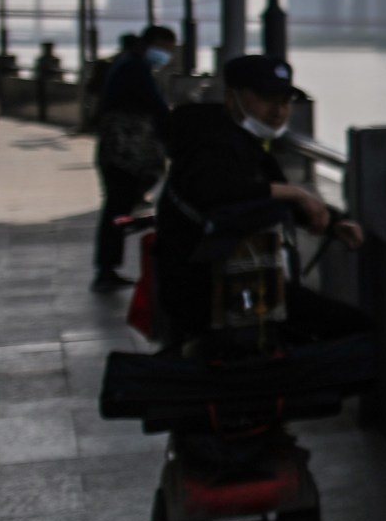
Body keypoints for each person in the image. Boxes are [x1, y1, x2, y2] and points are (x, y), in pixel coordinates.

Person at [154, 56, 361, 346]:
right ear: (231, 97)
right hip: (209, 290)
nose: (278, 112)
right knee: (355, 328)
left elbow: (262, 192)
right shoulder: (208, 142)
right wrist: (297, 193)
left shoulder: (240, 140)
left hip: (241, 283)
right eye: (265, 100)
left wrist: (332, 223)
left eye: (285, 102)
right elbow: (214, 189)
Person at [92, 26, 177, 290]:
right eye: (164, 47)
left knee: (117, 207)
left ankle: (108, 268)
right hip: (124, 151)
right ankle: (106, 270)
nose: (166, 54)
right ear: (150, 44)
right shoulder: (134, 68)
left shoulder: (129, 63)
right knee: (117, 207)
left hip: (118, 148)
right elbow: (155, 105)